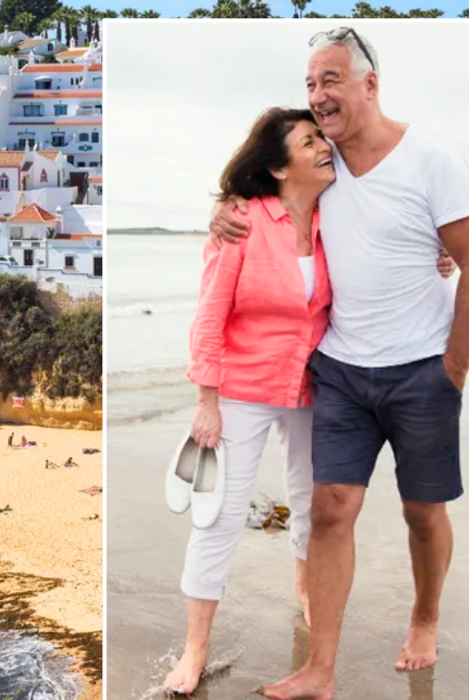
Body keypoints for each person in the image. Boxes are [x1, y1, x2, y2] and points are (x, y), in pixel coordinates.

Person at [202, 29, 469, 700]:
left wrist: (454, 369)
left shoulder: (432, 159)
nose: (317, 96)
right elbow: (262, 190)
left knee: (422, 512)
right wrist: (223, 210)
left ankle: (424, 618)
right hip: (337, 368)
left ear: (369, 84)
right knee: (331, 509)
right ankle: (320, 669)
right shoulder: (320, 162)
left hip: (423, 369)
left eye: (330, 80)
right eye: (309, 84)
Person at [164, 106, 335, 696]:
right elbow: (210, 315)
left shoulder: (337, 219)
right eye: (309, 141)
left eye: (322, 137)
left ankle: (307, 592)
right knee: (220, 518)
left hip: (313, 387)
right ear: (281, 168)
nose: (323, 148)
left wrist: (437, 257)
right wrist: (206, 400)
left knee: (313, 508)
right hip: (242, 389)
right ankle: (194, 651)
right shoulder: (241, 223)